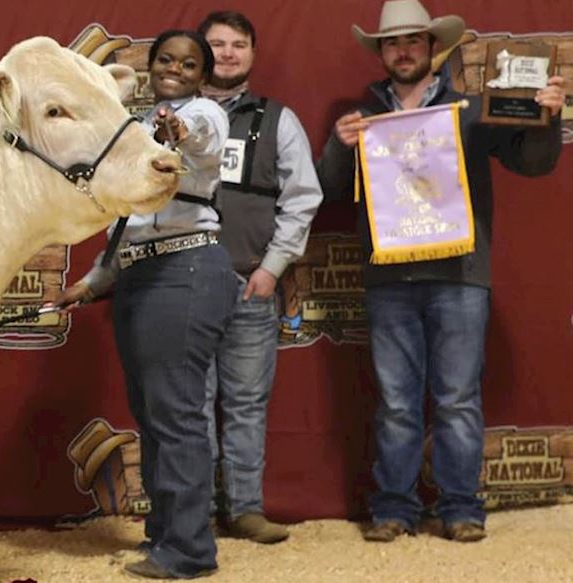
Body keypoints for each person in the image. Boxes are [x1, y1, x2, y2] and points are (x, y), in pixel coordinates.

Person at [316, 0, 564, 544]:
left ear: (433, 48)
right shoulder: (365, 119)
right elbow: (330, 190)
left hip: (459, 275)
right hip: (390, 278)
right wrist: (339, 147)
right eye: (392, 43)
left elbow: (535, 161)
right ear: (381, 53)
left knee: (456, 398)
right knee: (397, 402)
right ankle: (395, 508)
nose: (402, 50)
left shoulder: (473, 109)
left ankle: (460, 507)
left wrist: (548, 116)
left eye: (413, 41)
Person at [55, 29, 230, 579]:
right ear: (152, 65)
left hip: (187, 267)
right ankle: (165, 537)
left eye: (189, 62)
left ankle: (190, 551)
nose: (175, 68)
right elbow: (130, 225)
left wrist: (180, 127)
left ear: (204, 74)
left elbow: (201, 137)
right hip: (142, 272)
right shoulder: (135, 127)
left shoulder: (204, 113)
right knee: (155, 416)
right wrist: (94, 280)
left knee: (175, 415)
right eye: (166, 59)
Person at [195, 10, 325, 545]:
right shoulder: (170, 117)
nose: (227, 53)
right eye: (217, 44)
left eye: (238, 45)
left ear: (252, 54)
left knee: (246, 403)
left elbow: (303, 199)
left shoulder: (278, 120)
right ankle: (193, 512)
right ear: (201, 53)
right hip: (182, 288)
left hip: (250, 284)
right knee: (190, 406)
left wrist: (273, 269)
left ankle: (245, 509)